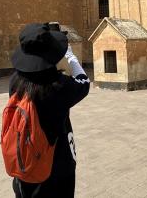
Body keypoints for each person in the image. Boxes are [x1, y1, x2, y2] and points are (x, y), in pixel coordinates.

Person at [8, 23, 90, 197]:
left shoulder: (15, 81)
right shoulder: (57, 87)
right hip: (55, 168)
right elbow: (84, 82)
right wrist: (71, 58)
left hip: (24, 163)